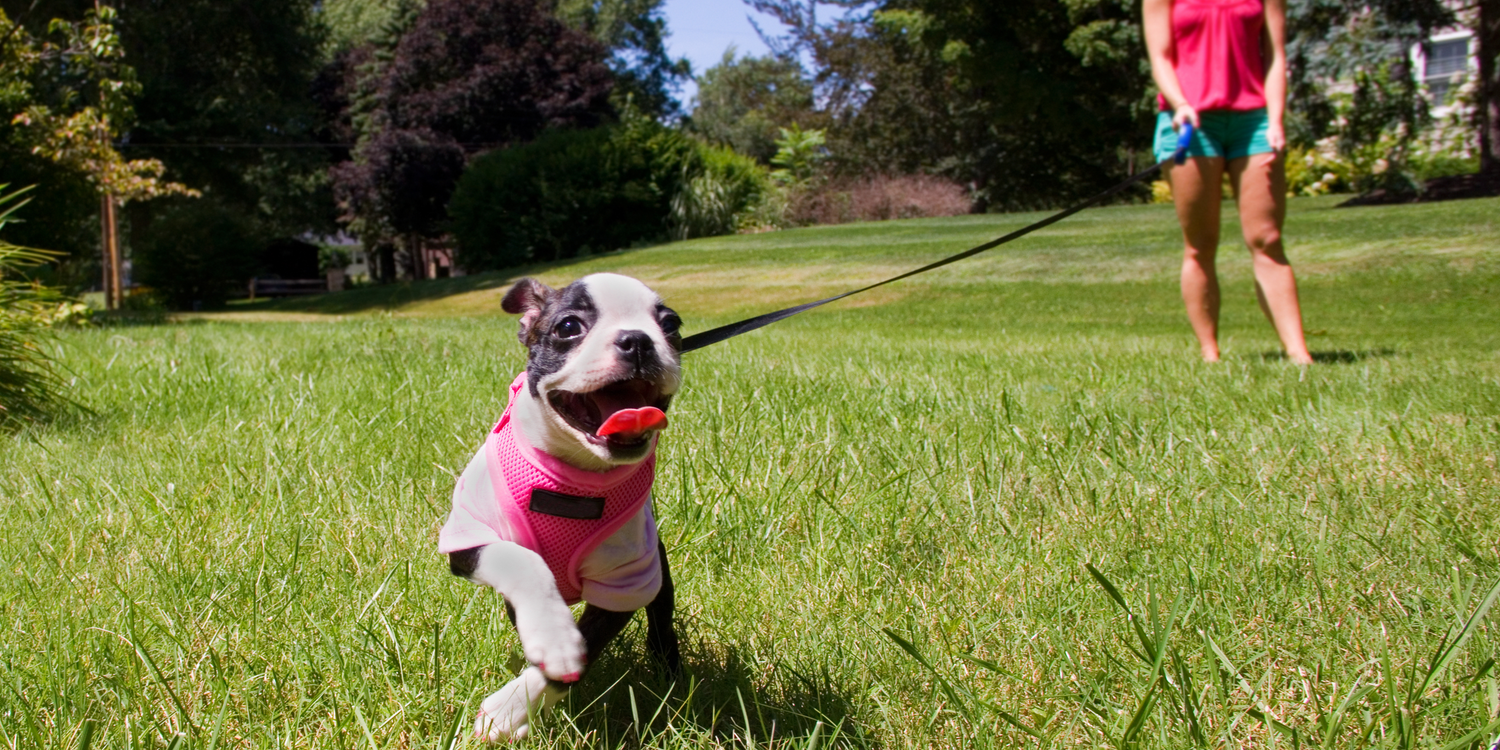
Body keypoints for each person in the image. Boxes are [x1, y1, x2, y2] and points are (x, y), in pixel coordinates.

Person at [1144, 0, 1313, 364]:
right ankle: (1210, 353)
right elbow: (1159, 57)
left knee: (1267, 238)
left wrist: (1276, 118)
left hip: (1253, 121)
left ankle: (1299, 354)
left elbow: (1276, 55)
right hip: (1188, 121)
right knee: (1201, 243)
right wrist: (1180, 102)